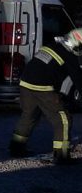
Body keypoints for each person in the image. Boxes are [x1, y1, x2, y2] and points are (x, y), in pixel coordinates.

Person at [9, 28, 82, 164]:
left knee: (29, 115)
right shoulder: (69, 56)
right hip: (42, 87)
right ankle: (61, 156)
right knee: (63, 119)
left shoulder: (52, 46)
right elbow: (78, 80)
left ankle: (16, 147)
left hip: (25, 84)